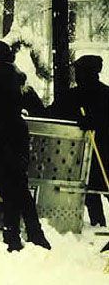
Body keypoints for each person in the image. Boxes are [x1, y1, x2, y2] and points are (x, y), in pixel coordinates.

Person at [0, 40, 51, 252]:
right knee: (19, 187)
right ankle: (33, 233)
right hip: (15, 137)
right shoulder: (15, 75)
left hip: (3, 139)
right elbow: (4, 103)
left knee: (10, 189)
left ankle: (14, 237)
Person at [48, 55, 109, 226]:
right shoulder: (72, 96)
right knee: (91, 188)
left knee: (98, 184)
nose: (76, 75)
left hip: (100, 150)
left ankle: (98, 221)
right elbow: (53, 113)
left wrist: (94, 121)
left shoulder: (102, 94)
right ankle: (98, 222)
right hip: (86, 151)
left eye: (79, 71)